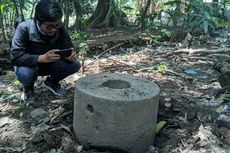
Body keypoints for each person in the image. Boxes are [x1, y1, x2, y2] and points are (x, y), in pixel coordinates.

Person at [10, 0, 81, 102]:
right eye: (49, 26)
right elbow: (16, 57)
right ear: (38, 21)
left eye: (57, 24)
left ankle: (52, 82)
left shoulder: (59, 28)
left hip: (51, 64)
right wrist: (41, 58)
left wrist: (71, 55)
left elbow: (68, 47)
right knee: (26, 73)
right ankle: (28, 89)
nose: (54, 29)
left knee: (75, 64)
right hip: (30, 66)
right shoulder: (24, 28)